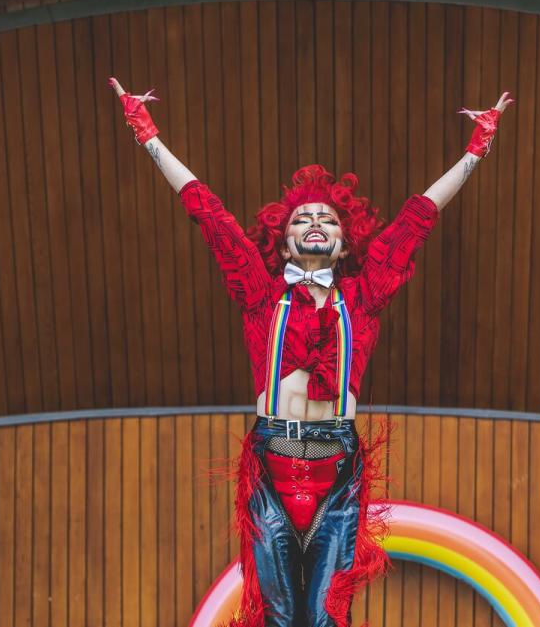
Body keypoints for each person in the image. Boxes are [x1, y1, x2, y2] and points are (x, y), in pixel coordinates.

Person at [109, 77, 512, 627]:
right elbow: (211, 216)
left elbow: (416, 220)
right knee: (276, 617)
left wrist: (475, 151)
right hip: (270, 471)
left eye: (327, 218)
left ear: (345, 242)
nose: (316, 222)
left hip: (338, 473)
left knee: (325, 619)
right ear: (284, 240)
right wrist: (147, 135)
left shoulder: (363, 297)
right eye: (303, 218)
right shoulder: (261, 294)